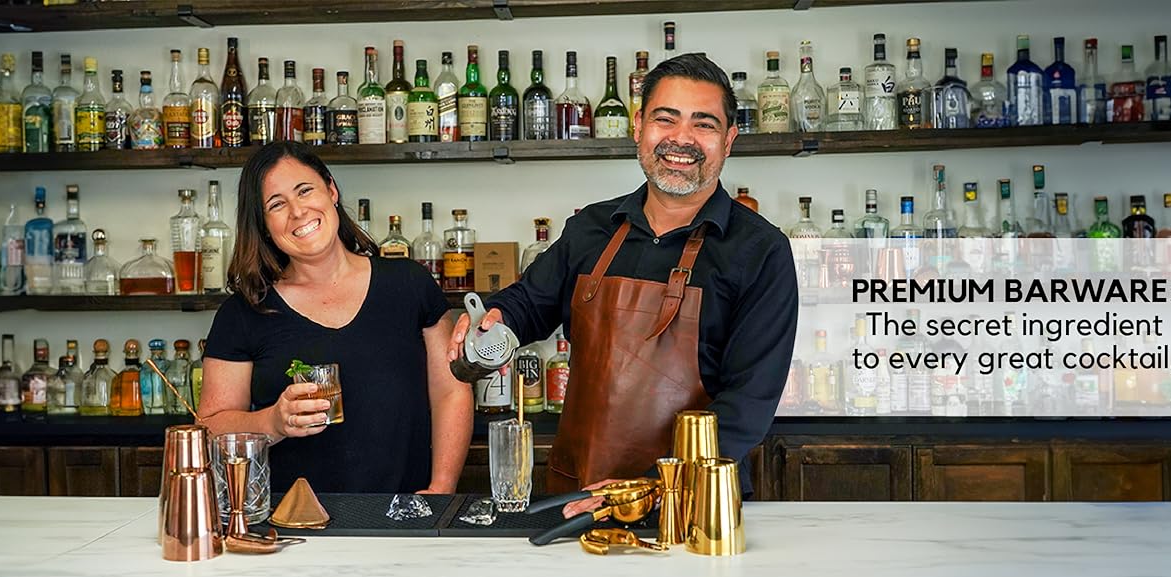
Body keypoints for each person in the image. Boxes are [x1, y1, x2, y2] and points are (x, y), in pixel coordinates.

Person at [449, 54, 798, 513]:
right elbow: (531, 302)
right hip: (578, 494)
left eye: (704, 124)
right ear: (639, 127)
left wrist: (649, 488)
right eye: (665, 119)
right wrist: (496, 319)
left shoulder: (760, 251)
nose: (681, 138)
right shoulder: (592, 228)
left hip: (692, 503)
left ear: (729, 140)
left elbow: (747, 404)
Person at [200, 141, 472, 495]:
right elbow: (210, 427)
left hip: (404, 515)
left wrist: (442, 487)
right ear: (263, 225)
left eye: (305, 191)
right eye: (277, 204)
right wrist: (272, 422)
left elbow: (451, 391)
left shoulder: (409, 283)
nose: (297, 211)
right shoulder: (244, 312)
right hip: (291, 520)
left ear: (331, 191)